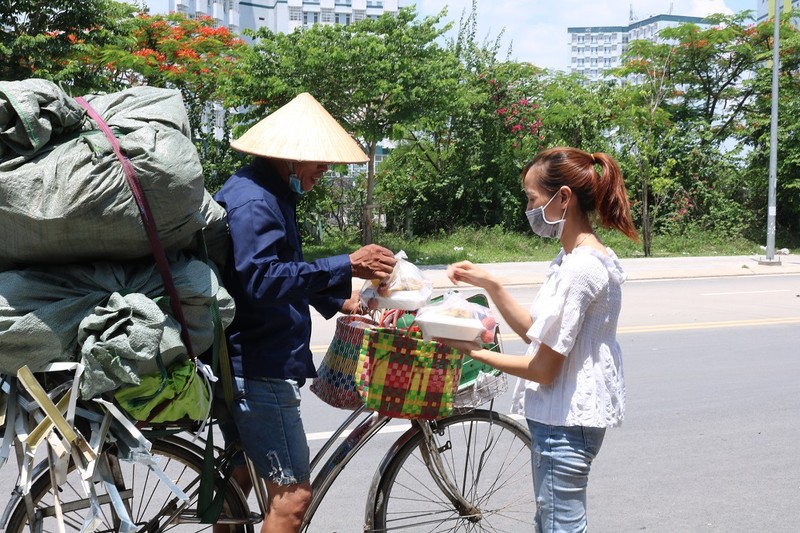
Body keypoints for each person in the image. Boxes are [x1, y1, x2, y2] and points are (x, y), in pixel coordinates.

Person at [213, 92, 396, 533]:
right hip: (258, 366)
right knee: (293, 499)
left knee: (239, 482)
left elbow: (277, 270)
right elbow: (261, 281)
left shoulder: (266, 193)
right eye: (318, 160)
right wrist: (347, 264)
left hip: (241, 359)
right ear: (290, 157)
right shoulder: (257, 202)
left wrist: (341, 300)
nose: (325, 169)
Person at [438, 147, 638, 532]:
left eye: (532, 199)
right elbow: (538, 331)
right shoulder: (577, 259)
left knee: (560, 525)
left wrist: (474, 351)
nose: (529, 209)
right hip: (567, 419)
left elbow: (542, 369)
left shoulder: (580, 269)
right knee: (552, 522)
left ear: (563, 198)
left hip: (563, 424)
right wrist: (491, 284)